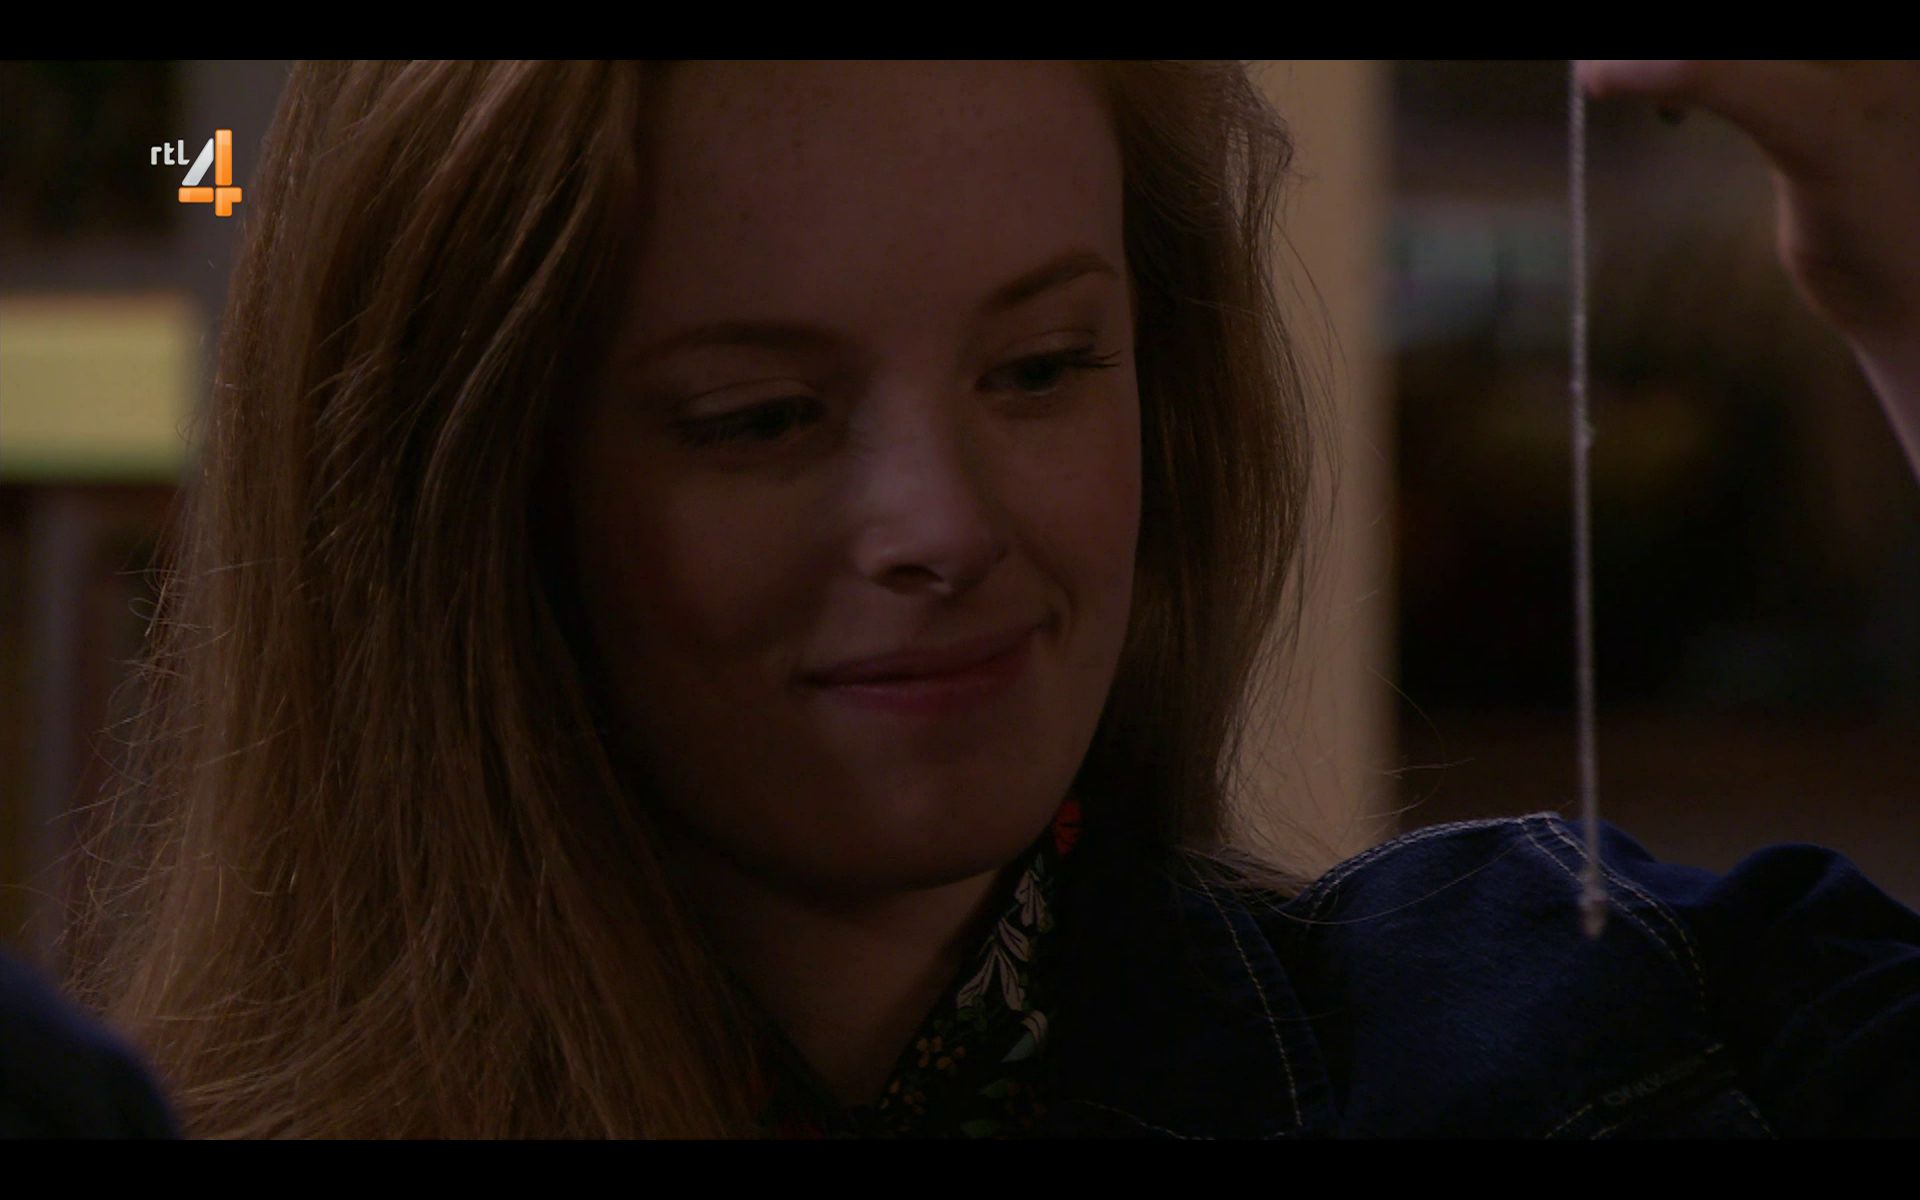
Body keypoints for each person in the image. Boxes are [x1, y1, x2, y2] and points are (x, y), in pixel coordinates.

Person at [58, 60, 1920, 1137]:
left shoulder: (1581, 1030)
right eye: (761, 416)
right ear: (470, 503)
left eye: (1040, 369)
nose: (945, 524)